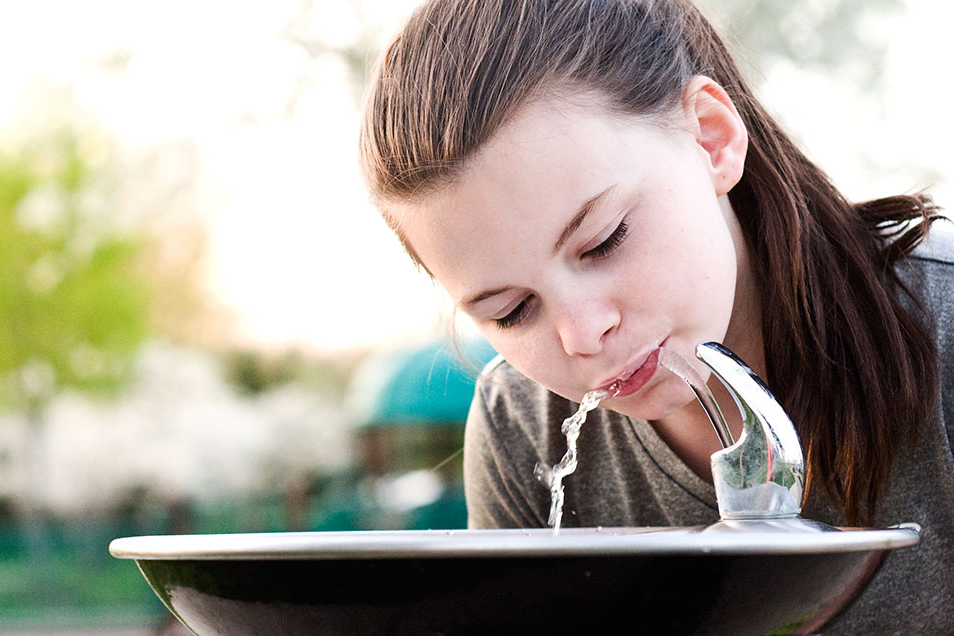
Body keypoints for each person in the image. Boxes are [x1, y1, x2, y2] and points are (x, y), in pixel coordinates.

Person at [358, 0, 953, 632]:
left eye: (604, 240)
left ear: (711, 138)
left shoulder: (941, 325)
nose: (583, 334)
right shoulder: (524, 429)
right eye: (512, 312)